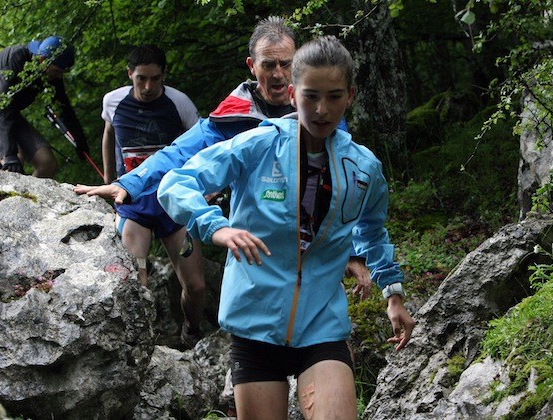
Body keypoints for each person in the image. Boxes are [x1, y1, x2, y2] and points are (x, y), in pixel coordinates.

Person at [157, 36, 415, 419]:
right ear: (293, 94)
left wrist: (392, 294)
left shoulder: (364, 168)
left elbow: (372, 230)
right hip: (254, 325)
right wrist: (216, 228)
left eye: (334, 96)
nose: (321, 109)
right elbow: (175, 182)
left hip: (322, 326)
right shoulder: (259, 145)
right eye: (311, 96)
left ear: (351, 96)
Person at [75, 16, 371, 293]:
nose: (278, 74)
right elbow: (179, 152)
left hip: (315, 245)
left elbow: (348, 183)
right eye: (268, 65)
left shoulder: (322, 112)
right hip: (256, 244)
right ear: (252, 66)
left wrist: (354, 250)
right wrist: (129, 183)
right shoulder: (232, 116)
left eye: (286, 64)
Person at [98, 44, 205, 348]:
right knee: (135, 283)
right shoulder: (113, 101)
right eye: (141, 78)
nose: (147, 87)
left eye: (155, 79)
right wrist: (109, 179)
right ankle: (143, 347)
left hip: (175, 202)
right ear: (129, 74)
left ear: (163, 76)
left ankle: (191, 331)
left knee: (196, 287)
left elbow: (204, 144)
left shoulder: (179, 103)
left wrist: (205, 188)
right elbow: (108, 134)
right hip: (134, 206)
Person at [0, 35, 89, 178]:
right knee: (14, 162)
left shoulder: (50, 74)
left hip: (10, 114)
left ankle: (28, 198)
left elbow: (63, 108)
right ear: (42, 60)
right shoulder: (16, 59)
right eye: (57, 71)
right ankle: (9, 198)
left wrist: (79, 141)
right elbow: (3, 106)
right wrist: (10, 154)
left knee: (47, 163)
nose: (59, 77)